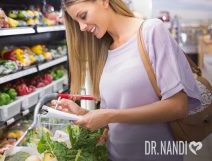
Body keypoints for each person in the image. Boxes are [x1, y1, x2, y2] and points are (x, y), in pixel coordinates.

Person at [52, 0, 201, 160]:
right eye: (77, 22)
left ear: (103, 1)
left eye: (83, 16)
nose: (82, 27)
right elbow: (118, 112)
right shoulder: (104, 49)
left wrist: (110, 116)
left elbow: (178, 106)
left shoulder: (151, 31)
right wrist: (83, 114)